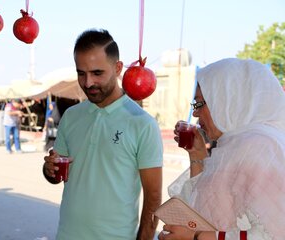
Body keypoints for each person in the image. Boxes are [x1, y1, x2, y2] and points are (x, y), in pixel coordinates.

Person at [43, 29, 163, 239]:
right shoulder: (71, 116)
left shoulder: (142, 124)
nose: (88, 83)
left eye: (97, 73)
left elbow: (153, 197)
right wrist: (49, 169)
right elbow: (56, 176)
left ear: (117, 68)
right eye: (81, 73)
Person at [158, 58, 285, 240]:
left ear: (228, 100)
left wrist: (196, 237)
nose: (195, 113)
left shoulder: (260, 147)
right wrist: (197, 155)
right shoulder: (232, 146)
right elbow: (205, 205)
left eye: (200, 104)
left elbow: (275, 234)